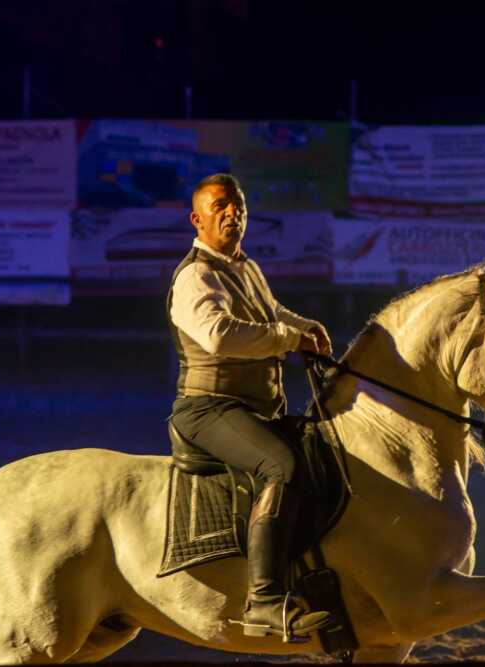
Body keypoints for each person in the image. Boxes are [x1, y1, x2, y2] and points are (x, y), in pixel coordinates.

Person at [166, 173, 332, 639]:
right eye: (220, 206)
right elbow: (220, 336)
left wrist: (306, 326)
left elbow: (270, 311)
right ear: (197, 220)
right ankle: (264, 602)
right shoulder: (194, 276)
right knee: (282, 466)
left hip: (255, 408)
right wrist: (288, 339)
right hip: (208, 409)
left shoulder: (246, 267)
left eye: (237, 204)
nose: (232, 213)